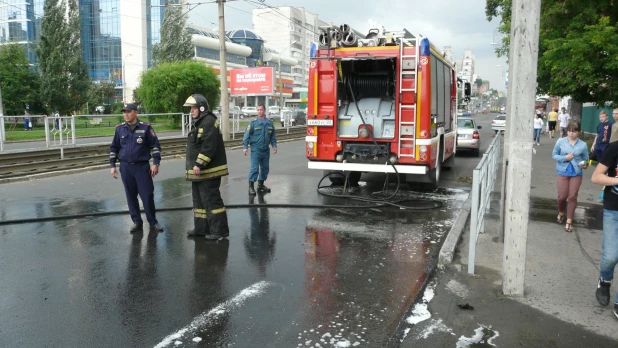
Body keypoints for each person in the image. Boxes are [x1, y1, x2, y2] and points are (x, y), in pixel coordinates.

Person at [109, 103, 164, 233]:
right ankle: (137, 222)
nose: (126, 114)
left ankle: (153, 222)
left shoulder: (145, 128)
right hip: (126, 167)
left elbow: (155, 146)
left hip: (142, 167)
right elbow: (114, 148)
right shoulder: (120, 129)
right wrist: (112, 165)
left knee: (147, 195)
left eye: (128, 112)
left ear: (135, 112)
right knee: (131, 196)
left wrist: (155, 163)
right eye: (124, 112)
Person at [183, 94, 230, 240]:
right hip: (199, 173)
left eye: (193, 108)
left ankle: (219, 231)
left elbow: (208, 146)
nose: (191, 111)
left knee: (211, 201)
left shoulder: (209, 122)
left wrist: (199, 164)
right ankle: (201, 228)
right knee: (199, 202)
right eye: (190, 108)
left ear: (202, 108)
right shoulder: (200, 122)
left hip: (208, 172)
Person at [591, 137, 618, 319]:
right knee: (611, 256)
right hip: (614, 210)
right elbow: (596, 177)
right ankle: (605, 280)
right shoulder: (615, 148)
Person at [552, 121, 589, 232]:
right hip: (562, 171)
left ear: (578, 132)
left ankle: (569, 220)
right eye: (569, 131)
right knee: (562, 197)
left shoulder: (583, 145)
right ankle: (561, 212)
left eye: (574, 131)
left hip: (577, 173)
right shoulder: (560, 141)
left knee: (572, 196)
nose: (571, 134)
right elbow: (554, 155)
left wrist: (584, 164)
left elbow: (586, 159)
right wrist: (565, 158)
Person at [242, 104, 277, 195]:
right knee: (254, 169)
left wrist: (274, 145)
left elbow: (273, 135)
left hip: (265, 150)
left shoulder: (269, 123)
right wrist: (245, 147)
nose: (259, 111)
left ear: (264, 110)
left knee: (265, 168)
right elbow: (246, 135)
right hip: (256, 150)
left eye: (261, 109)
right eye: (258, 110)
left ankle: (260, 185)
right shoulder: (253, 123)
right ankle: (251, 187)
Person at [591, 110, 612, 202]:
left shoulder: (611, 124)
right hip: (598, 145)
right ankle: (601, 174)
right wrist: (593, 145)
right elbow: (597, 135)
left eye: (603, 117)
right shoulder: (599, 125)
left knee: (605, 162)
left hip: (606, 145)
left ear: (607, 116)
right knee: (600, 162)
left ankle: (607, 175)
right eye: (600, 117)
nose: (601, 118)